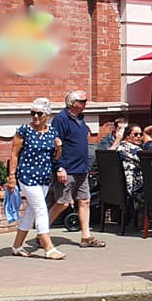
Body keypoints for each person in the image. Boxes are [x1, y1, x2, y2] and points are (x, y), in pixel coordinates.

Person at [7, 98, 65, 259]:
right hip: (27, 176)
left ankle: (17, 246)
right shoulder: (24, 130)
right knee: (41, 209)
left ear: (47, 115)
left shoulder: (52, 132)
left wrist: (59, 148)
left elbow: (55, 157)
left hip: (45, 177)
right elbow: (14, 154)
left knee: (31, 212)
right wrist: (12, 177)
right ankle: (49, 247)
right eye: (33, 113)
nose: (35, 117)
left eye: (39, 113)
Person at [47, 90, 105, 248]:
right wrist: (59, 167)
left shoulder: (80, 118)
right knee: (63, 203)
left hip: (82, 169)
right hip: (67, 168)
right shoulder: (61, 119)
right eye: (83, 101)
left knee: (85, 201)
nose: (86, 103)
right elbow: (55, 144)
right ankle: (42, 231)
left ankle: (86, 237)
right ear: (73, 103)